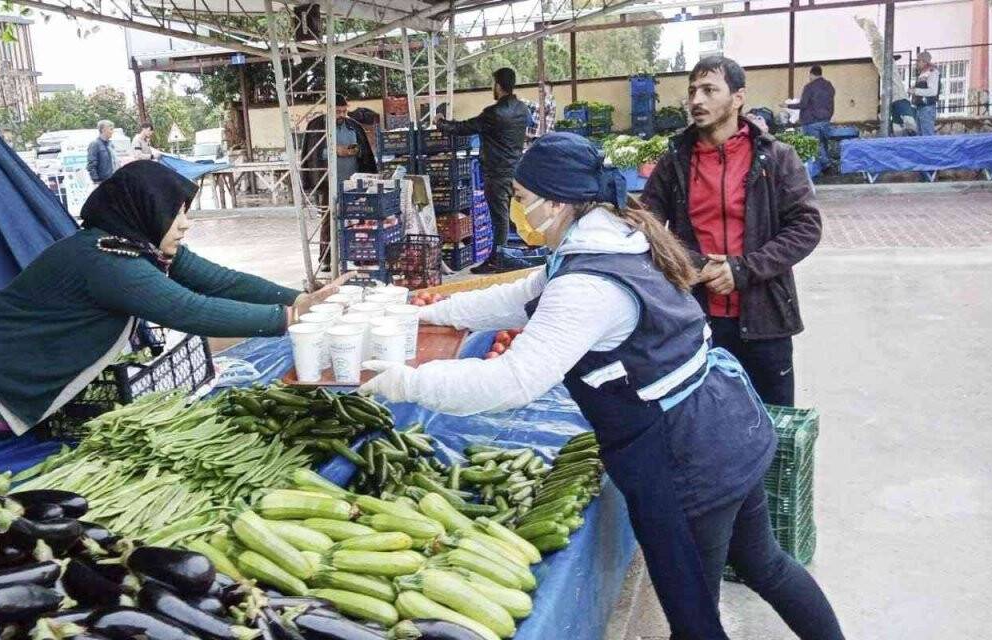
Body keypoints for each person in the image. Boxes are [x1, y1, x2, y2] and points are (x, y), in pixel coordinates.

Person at [359, 133, 844, 639]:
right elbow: (520, 297)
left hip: (686, 460)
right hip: (728, 425)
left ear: (558, 201)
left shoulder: (587, 284)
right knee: (766, 565)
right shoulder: (613, 234)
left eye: (523, 200)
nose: (519, 211)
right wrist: (431, 314)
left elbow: (512, 379)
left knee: (696, 623)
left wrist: (405, 382)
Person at [0, 161, 350, 462]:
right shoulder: (107, 261)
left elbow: (219, 281)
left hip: (5, 360)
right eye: (177, 215)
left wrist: (298, 299)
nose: (185, 225)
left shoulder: (137, 247)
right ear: (147, 211)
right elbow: (189, 310)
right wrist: (287, 320)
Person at [641, 57, 822, 408]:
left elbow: (806, 226)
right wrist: (695, 265)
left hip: (765, 318)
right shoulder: (674, 162)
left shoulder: (776, 158)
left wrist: (741, 270)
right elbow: (647, 227)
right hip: (694, 318)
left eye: (710, 90)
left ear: (738, 98)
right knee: (704, 421)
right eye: (693, 91)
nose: (696, 100)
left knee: (772, 422)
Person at [434, 67, 530, 274]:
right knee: (507, 215)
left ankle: (498, 259)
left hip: (496, 172)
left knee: (500, 217)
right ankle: (504, 255)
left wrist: (440, 123)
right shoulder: (522, 109)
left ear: (498, 85)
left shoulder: (494, 114)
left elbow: (463, 128)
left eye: (493, 83)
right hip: (515, 169)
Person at [300, 95, 378, 271]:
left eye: (344, 111)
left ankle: (358, 255)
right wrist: (335, 150)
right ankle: (326, 259)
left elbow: (364, 152)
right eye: (338, 111)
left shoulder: (353, 126)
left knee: (359, 218)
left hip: (353, 183)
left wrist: (355, 150)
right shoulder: (317, 126)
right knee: (330, 220)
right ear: (329, 109)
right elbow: (313, 154)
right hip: (329, 183)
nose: (342, 114)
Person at [793, 65, 835, 165]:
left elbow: (803, 104)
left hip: (811, 121)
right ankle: (825, 164)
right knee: (824, 144)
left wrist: (788, 105)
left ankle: (826, 166)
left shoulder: (809, 87)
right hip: (825, 120)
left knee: (815, 145)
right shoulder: (829, 86)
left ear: (811, 74)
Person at [911, 50, 940, 136]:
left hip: (927, 108)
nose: (916, 63)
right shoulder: (923, 73)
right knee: (920, 137)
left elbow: (933, 91)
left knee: (927, 137)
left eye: (918, 61)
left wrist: (915, 91)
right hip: (921, 108)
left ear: (924, 61)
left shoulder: (932, 72)